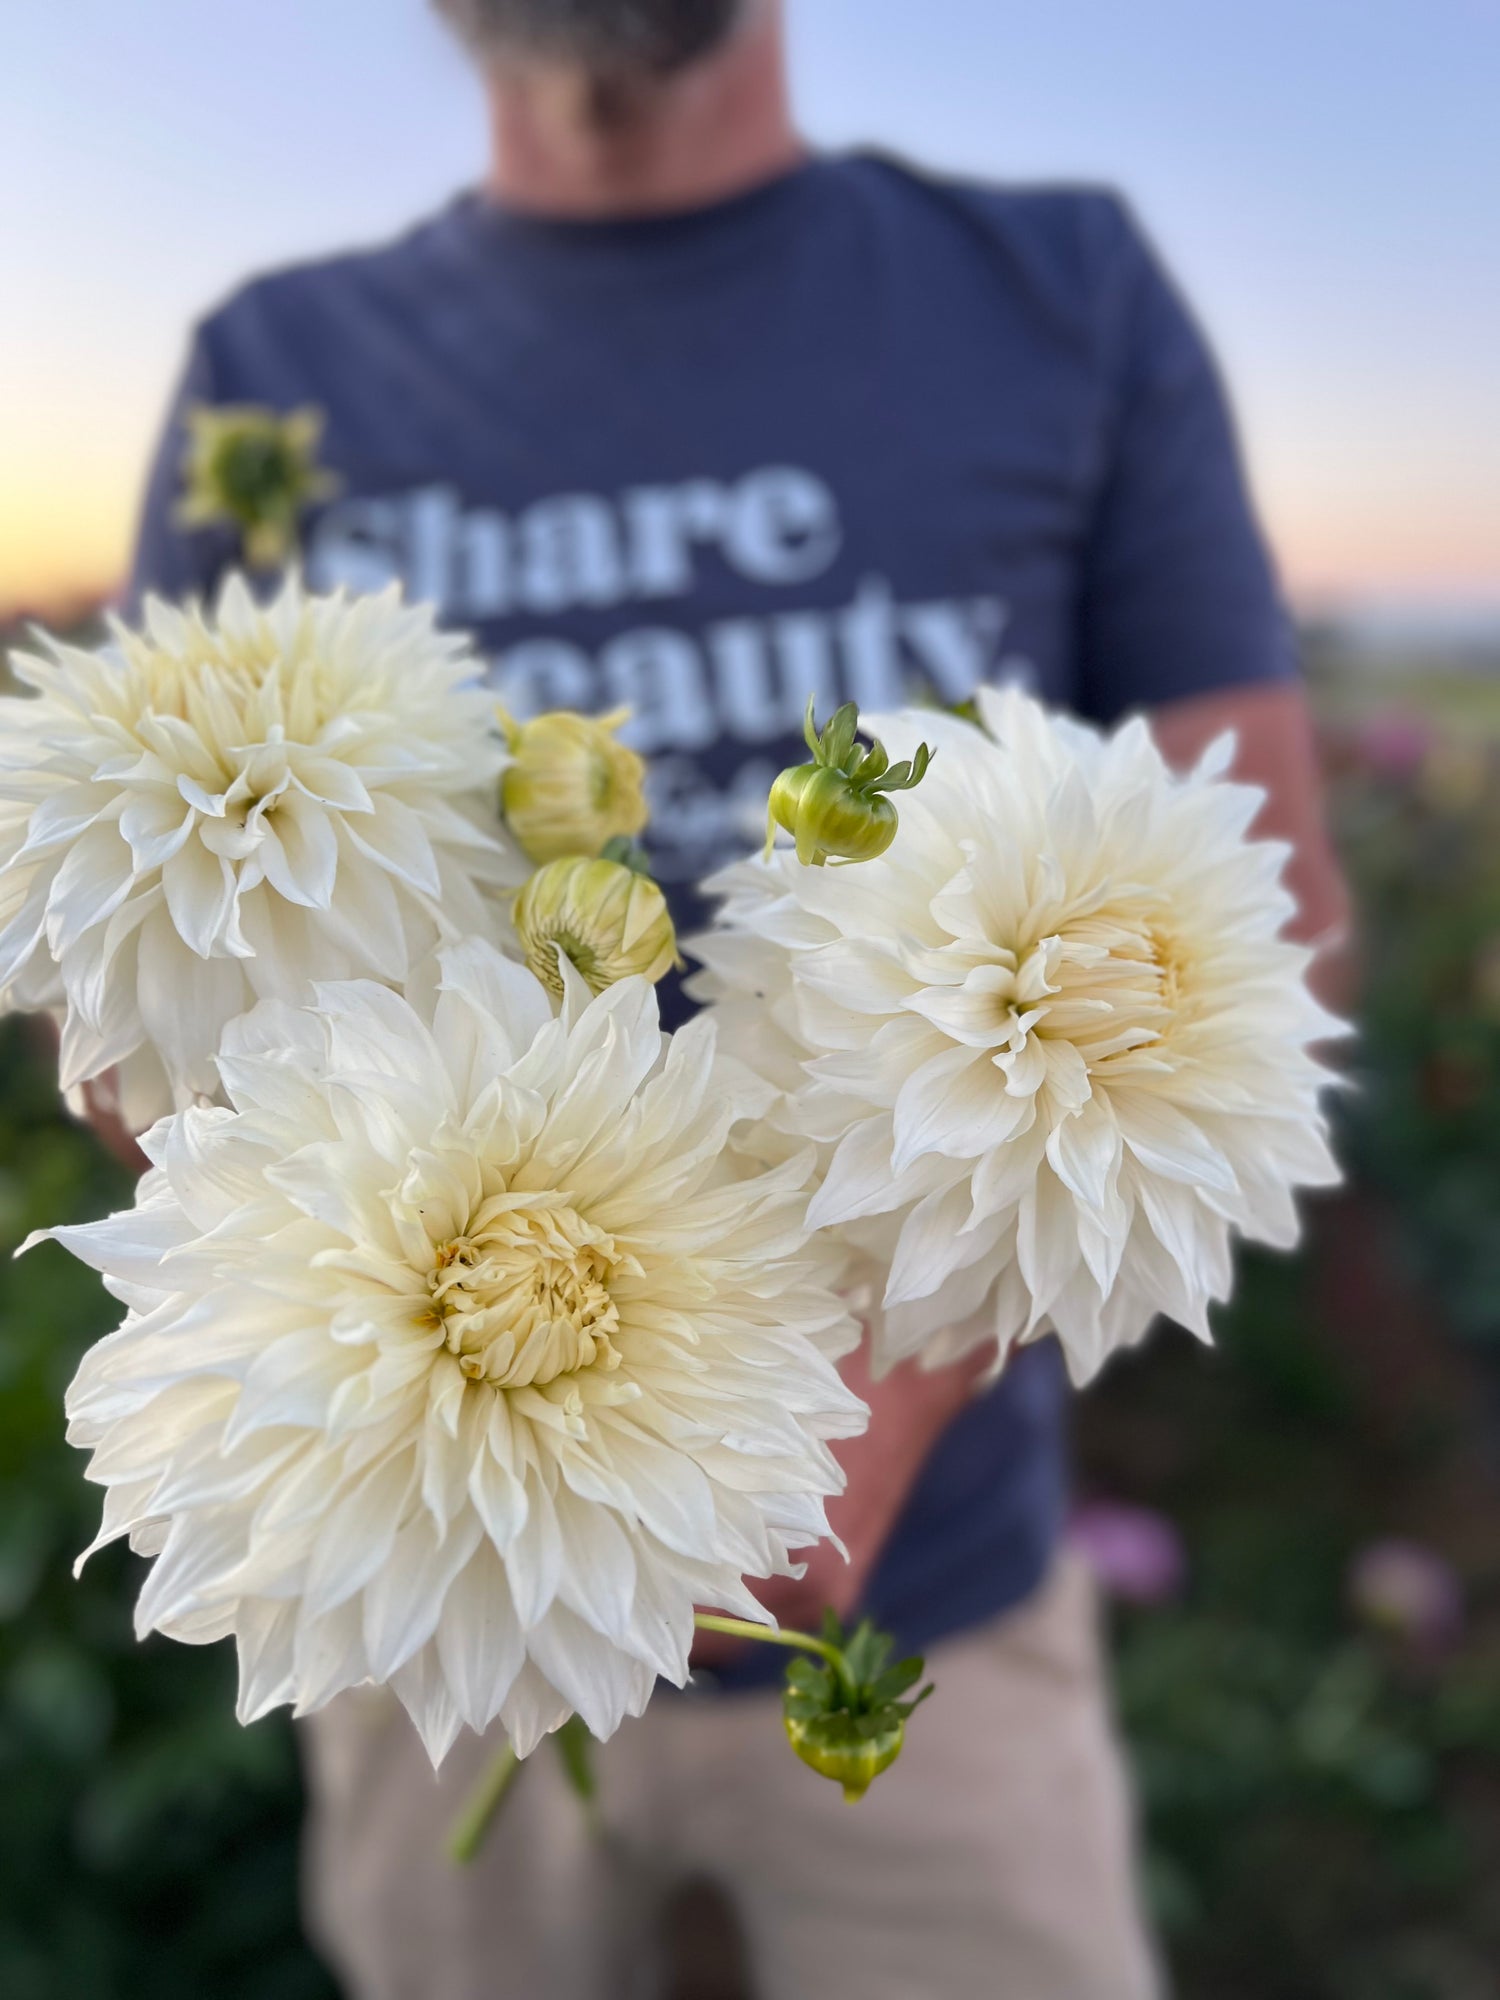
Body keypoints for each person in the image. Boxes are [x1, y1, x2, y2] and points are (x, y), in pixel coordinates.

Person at [127, 3, 1351, 1994]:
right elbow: (169, 947)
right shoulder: (271, 376)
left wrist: (855, 1437)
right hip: (424, 1589)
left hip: (927, 1612)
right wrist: (168, 1115)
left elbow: (1264, 916)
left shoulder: (1061, 290)